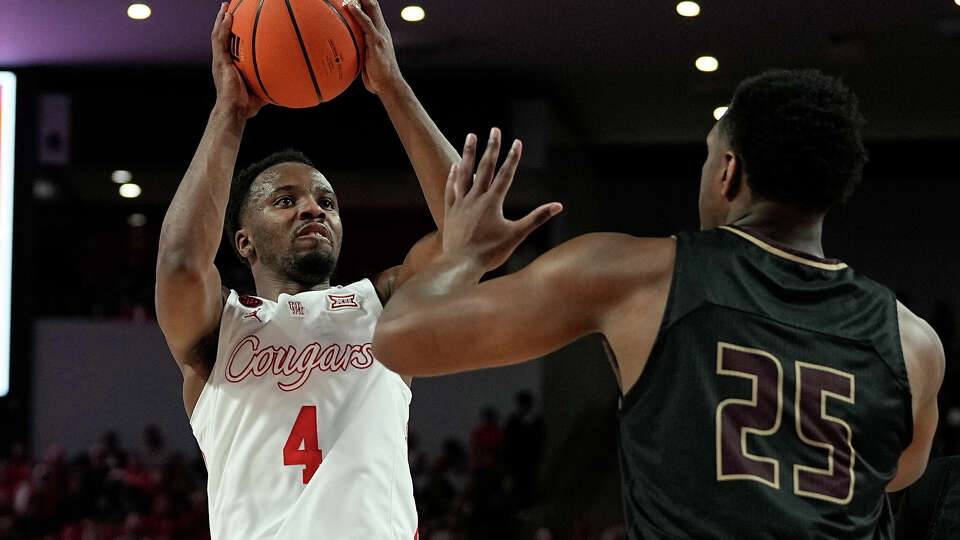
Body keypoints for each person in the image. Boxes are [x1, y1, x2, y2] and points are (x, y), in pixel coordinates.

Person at [372, 69, 945, 538]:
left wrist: (464, 253)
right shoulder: (914, 342)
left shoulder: (634, 275)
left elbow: (401, 340)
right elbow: (894, 474)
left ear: (728, 171)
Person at [155, 1, 454, 537]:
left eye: (327, 201)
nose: (313, 209)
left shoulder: (382, 306)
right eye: (285, 200)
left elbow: (469, 235)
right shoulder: (218, 330)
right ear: (242, 242)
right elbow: (179, 266)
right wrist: (228, 113)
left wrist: (393, 87)